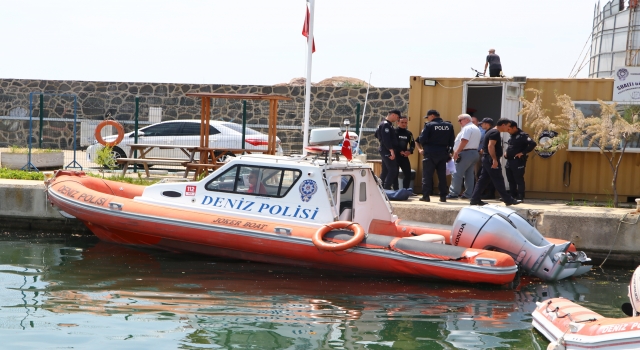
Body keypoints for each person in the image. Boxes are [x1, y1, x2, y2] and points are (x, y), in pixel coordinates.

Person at [469, 118, 521, 206]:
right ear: (503, 125)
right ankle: (508, 199)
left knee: (483, 180)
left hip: (487, 158)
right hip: (490, 159)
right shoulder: (495, 133)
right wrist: (494, 159)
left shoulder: (490, 131)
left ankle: (475, 199)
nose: (508, 128)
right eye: (508, 126)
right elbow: (490, 146)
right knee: (498, 179)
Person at [418, 109, 455, 202]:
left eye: (428, 117)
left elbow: (421, 139)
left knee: (427, 175)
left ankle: (426, 196)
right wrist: (449, 152)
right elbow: (452, 141)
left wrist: (426, 145)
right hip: (443, 153)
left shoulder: (429, 125)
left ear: (432, 116)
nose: (428, 119)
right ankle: (443, 196)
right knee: (442, 176)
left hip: (430, 153)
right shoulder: (449, 126)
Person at [447, 114, 481, 199]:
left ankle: (454, 193)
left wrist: (456, 152)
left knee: (457, 173)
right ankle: (468, 194)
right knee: (469, 174)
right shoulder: (476, 128)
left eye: (460, 120)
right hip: (474, 153)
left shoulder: (467, 128)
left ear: (466, 120)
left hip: (465, 153)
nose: (459, 122)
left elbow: (464, 140)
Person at [504, 120, 537, 201]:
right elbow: (511, 146)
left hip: (518, 161)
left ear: (514, 127)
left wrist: (523, 152)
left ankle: (520, 196)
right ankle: (512, 195)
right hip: (509, 160)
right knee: (510, 179)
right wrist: (506, 152)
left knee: (518, 179)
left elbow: (533, 143)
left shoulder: (523, 135)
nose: (508, 131)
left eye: (509, 129)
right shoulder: (511, 135)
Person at [376, 109, 401, 190]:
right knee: (393, 170)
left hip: (385, 149)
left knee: (386, 170)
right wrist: (391, 150)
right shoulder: (386, 125)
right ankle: (386, 188)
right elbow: (386, 139)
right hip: (387, 150)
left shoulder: (385, 124)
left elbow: (376, 134)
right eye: (397, 117)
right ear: (393, 115)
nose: (397, 119)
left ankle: (379, 188)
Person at [394, 116, 416, 191]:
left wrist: (409, 151)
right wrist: (400, 151)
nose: (404, 124)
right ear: (398, 122)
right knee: (395, 173)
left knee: (408, 173)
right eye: (402, 122)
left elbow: (412, 144)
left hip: (404, 156)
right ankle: (396, 190)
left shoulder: (409, 133)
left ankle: (405, 190)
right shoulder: (394, 132)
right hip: (395, 155)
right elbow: (393, 144)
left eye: (405, 122)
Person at [479, 118, 496, 198]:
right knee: (483, 175)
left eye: (483, 123)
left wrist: (493, 159)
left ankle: (490, 193)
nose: (481, 125)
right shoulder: (487, 132)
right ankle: (481, 194)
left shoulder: (492, 132)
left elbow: (491, 145)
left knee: (492, 176)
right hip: (486, 156)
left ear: (487, 124)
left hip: (490, 157)